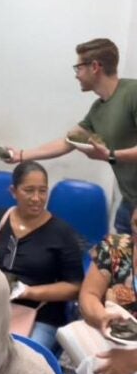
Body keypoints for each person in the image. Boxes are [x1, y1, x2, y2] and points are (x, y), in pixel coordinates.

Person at [7, 38, 137, 235]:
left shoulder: (133, 93)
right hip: (129, 202)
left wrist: (110, 155)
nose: (76, 75)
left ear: (94, 67)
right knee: (120, 263)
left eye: (78, 68)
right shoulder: (98, 109)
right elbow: (68, 142)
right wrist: (21, 155)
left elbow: (111, 154)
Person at [0, 161, 83, 351]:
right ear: (13, 191)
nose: (36, 198)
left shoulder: (62, 233)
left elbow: (74, 287)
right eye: (29, 190)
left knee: (23, 358)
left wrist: (27, 292)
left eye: (42, 191)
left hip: (41, 314)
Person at [79, 221, 137, 374]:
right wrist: (101, 316)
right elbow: (89, 294)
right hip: (110, 351)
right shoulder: (116, 247)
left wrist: (133, 360)